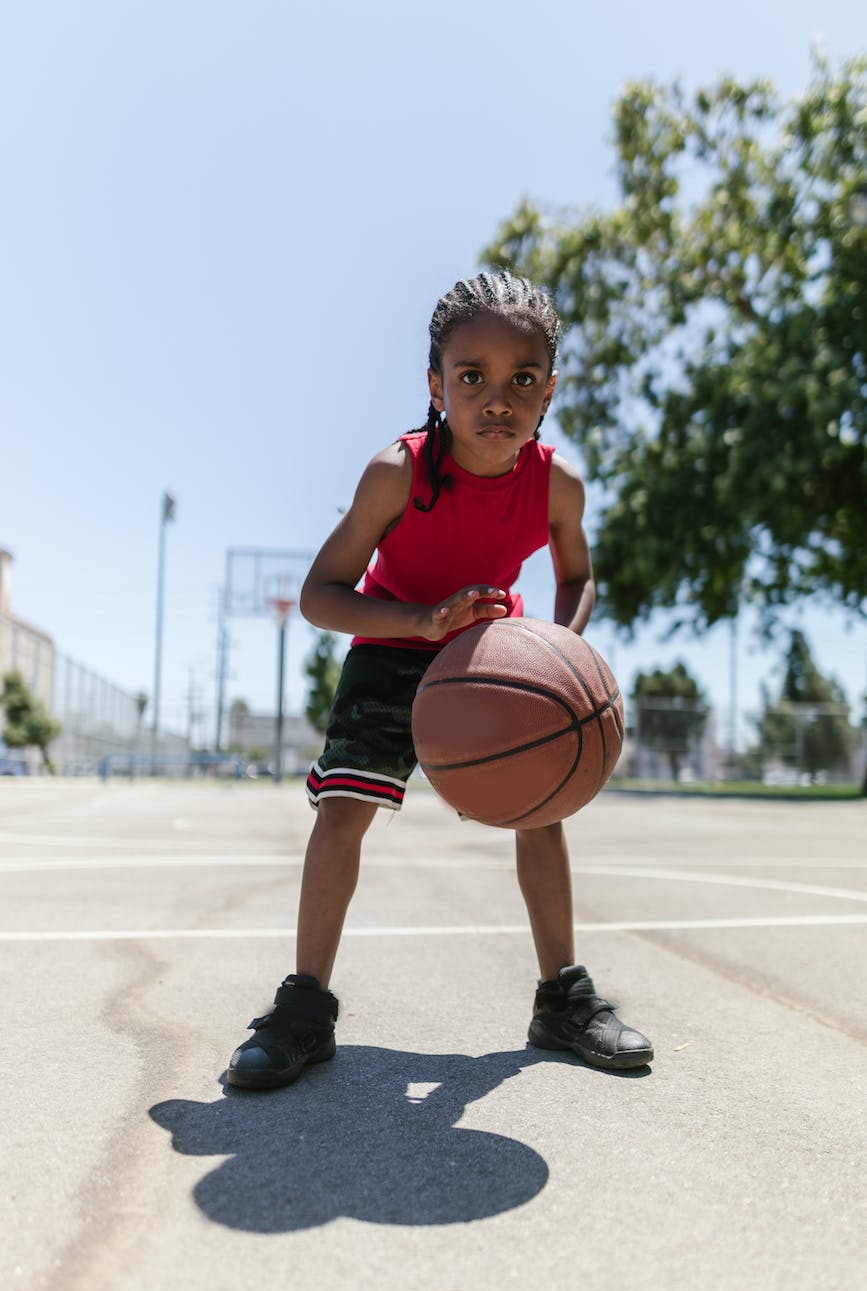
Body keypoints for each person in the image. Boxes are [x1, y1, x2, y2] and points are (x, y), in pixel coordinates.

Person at [227, 271, 653, 1089]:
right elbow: (322, 597)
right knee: (343, 808)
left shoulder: (557, 484)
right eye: (472, 378)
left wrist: (555, 650)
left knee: (542, 804)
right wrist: (421, 623)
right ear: (436, 385)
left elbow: (579, 576)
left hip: (494, 650)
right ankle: (305, 1006)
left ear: (549, 391)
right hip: (395, 635)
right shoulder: (398, 472)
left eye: (521, 380)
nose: (498, 398)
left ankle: (560, 998)